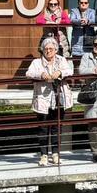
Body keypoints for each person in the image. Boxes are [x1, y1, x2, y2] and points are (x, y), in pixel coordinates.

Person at [27, 37, 73, 166]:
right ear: (42, 50)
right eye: (46, 49)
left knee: (56, 127)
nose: (48, 51)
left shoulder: (61, 60)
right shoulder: (37, 62)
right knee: (43, 129)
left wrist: (60, 72)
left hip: (59, 99)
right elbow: (28, 73)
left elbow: (70, 71)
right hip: (43, 100)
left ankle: (56, 154)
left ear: (55, 50)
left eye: (51, 49)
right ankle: (43, 155)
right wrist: (41, 75)